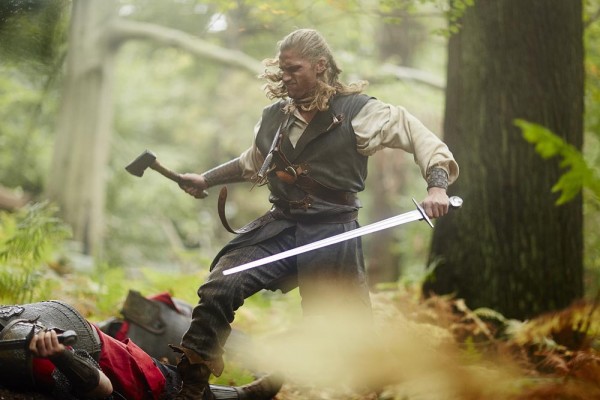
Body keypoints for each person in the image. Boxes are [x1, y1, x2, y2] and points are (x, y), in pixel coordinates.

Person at [175, 28, 459, 399]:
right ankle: (189, 386)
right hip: (281, 228)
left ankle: (290, 388)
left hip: (333, 235)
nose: (285, 77)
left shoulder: (359, 112)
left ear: (320, 66)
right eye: (282, 70)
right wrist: (206, 179)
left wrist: (437, 186)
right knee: (221, 283)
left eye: (294, 69)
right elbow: (252, 163)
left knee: (345, 339)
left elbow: (422, 139)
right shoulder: (274, 117)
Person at [0, 300, 282, 400]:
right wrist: (61, 355)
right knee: (171, 385)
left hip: (101, 337)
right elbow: (103, 389)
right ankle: (245, 393)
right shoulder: (20, 353)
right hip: (119, 369)